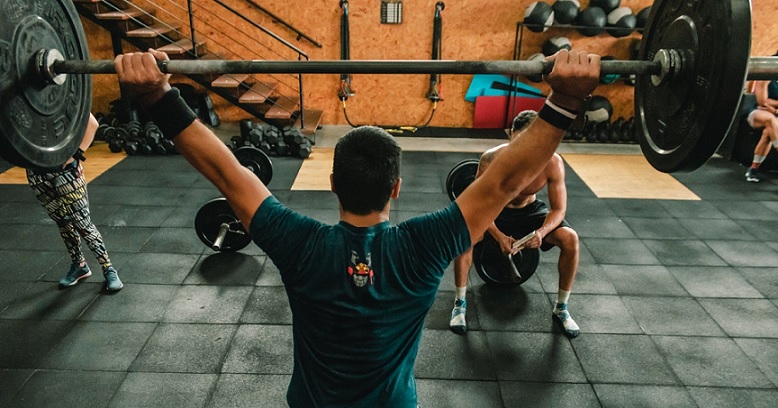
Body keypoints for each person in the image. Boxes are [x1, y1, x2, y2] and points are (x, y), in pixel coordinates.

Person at [115, 48, 599, 407]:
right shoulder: (425, 245)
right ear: (396, 188)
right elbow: (503, 183)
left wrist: (158, 95)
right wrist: (566, 100)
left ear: (332, 184)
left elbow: (227, 173)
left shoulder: (299, 242)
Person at [449, 110, 581, 338]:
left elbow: (559, 209)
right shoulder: (491, 158)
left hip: (530, 213)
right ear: (512, 134)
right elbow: (477, 203)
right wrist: (498, 235)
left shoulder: (552, 162)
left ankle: (562, 308)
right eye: (520, 140)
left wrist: (541, 232)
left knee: (570, 239)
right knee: (465, 236)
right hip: (495, 210)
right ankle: (459, 304)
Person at [26, 113, 123, 292]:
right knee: (62, 222)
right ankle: (79, 265)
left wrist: (75, 154)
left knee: (82, 223)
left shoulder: (60, 95)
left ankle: (108, 268)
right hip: (37, 175)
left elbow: (92, 124)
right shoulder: (21, 103)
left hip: (66, 173)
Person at [744, 60, 778, 182]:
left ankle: (753, 169)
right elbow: (762, 101)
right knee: (770, 120)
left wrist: (773, 107)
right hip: (758, 114)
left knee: (768, 133)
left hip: (774, 115)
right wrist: (773, 109)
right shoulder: (768, 72)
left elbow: (768, 102)